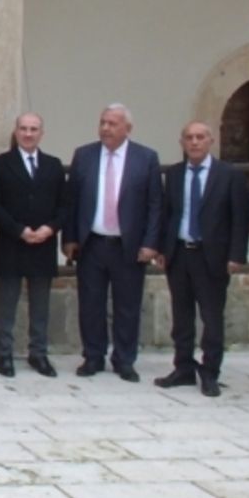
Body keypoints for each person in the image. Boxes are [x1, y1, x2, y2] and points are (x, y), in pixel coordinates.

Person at [62, 103, 161, 382]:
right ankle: (93, 356)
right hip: (92, 243)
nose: (105, 128)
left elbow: (155, 204)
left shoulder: (146, 158)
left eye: (112, 123)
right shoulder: (85, 155)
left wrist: (151, 242)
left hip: (128, 246)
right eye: (103, 122)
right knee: (90, 304)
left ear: (127, 129)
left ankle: (124, 359)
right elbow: (72, 200)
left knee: (127, 305)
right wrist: (69, 238)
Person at [155, 121, 247, 397]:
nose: (194, 142)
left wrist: (236, 255)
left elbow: (239, 219)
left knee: (211, 318)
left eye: (200, 137)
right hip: (180, 253)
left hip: (213, 256)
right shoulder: (174, 174)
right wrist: (162, 248)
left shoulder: (228, 175)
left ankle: (210, 372)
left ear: (211, 141)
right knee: (181, 317)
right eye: (189, 138)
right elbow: (167, 214)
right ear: (182, 142)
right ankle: (183, 367)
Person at [0, 112, 68, 379]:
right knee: (7, 303)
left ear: (41, 133)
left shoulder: (54, 165)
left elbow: (64, 205)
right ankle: (5, 354)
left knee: (40, 304)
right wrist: (19, 230)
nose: (28, 133)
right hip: (11, 242)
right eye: (23, 128)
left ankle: (38, 353)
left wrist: (49, 229)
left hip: (43, 244)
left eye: (33, 129)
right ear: (16, 131)